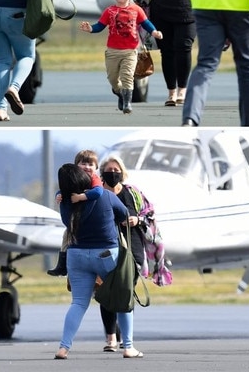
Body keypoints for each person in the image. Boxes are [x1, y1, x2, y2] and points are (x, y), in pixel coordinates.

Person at [54, 163, 143, 359]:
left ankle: (63, 347)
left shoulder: (66, 202)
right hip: (106, 253)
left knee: (78, 303)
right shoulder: (106, 195)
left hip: (76, 254)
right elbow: (123, 215)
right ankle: (128, 347)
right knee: (122, 299)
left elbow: (66, 223)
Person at [97, 155, 171, 353]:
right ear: (102, 172)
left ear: (122, 172)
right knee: (106, 291)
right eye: (109, 171)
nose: (113, 174)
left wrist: (136, 221)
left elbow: (149, 214)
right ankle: (111, 337)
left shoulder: (133, 193)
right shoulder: (97, 193)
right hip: (106, 248)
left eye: (116, 170)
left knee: (126, 290)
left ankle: (126, 338)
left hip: (133, 247)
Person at [80, 0, 163, 114]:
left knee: (127, 76)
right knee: (113, 79)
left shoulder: (136, 10)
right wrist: (90, 29)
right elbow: (99, 26)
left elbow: (146, 23)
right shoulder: (109, 11)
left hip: (130, 51)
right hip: (112, 51)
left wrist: (154, 32)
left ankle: (127, 103)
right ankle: (119, 93)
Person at [47, 149, 103, 277]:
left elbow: (98, 192)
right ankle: (62, 264)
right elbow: (63, 190)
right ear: (76, 165)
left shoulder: (94, 178)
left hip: (89, 218)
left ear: (96, 168)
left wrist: (81, 197)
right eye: (83, 164)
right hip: (75, 219)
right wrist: (59, 195)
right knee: (66, 235)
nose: (87, 167)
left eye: (90, 165)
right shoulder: (72, 179)